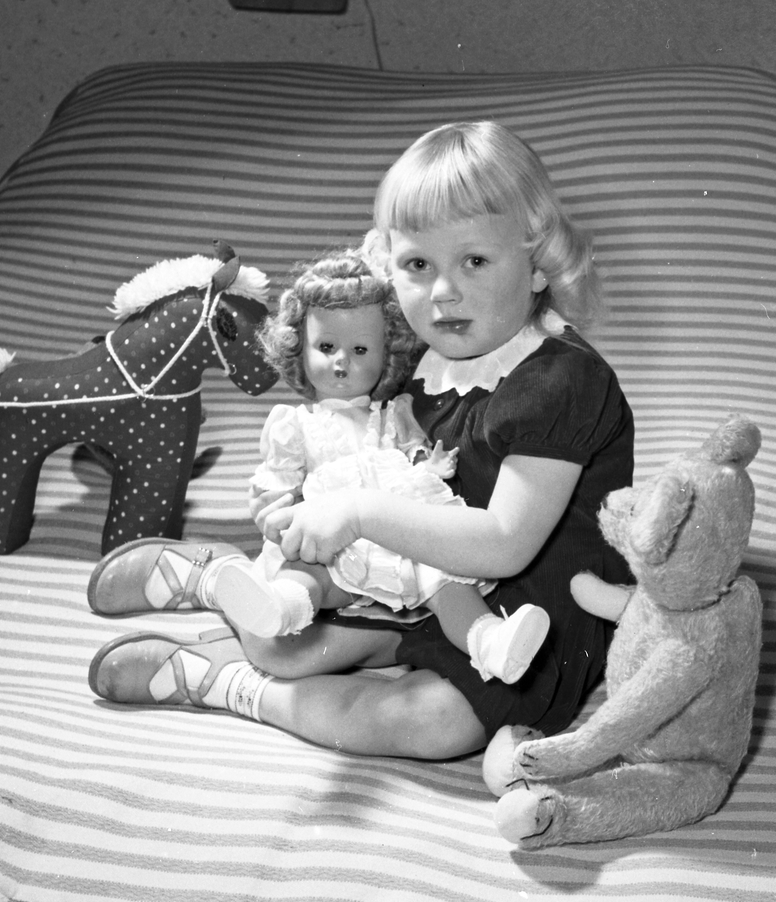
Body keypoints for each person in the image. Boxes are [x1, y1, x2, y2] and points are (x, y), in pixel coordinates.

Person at [87, 119, 635, 760]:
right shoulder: (418, 355)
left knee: (436, 725)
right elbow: (349, 438)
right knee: (283, 644)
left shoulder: (561, 380)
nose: (443, 291)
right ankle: (218, 578)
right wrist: (293, 498)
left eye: (475, 261)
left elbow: (505, 543)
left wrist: (357, 512)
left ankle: (225, 684)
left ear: (538, 265)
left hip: (528, 609)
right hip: (421, 576)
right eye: (418, 264)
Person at [188, 247, 551, 684]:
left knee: (445, 579)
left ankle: (489, 642)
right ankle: (279, 609)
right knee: (306, 572)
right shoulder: (294, 424)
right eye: (326, 347)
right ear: (298, 348)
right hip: (332, 544)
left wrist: (428, 465)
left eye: (360, 349)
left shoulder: (394, 414)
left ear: (386, 354)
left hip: (400, 536)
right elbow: (277, 487)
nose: (342, 360)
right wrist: (272, 509)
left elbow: (412, 460)